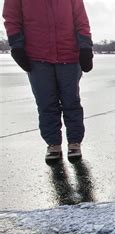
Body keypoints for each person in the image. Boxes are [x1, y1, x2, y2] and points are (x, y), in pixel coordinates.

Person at [2, 0, 93, 163]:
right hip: (37, 57)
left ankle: (74, 142)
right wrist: (16, 46)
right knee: (46, 103)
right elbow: (12, 18)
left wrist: (85, 46)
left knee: (71, 101)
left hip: (69, 55)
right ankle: (53, 144)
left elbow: (81, 17)